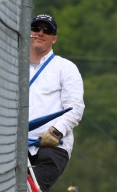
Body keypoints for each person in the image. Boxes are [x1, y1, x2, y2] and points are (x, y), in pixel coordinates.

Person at [28, 13, 85, 192]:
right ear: (29, 32)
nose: (40, 33)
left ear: (54, 38)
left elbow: (75, 108)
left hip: (52, 147)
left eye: (47, 30)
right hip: (17, 144)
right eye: (36, 28)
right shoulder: (14, 65)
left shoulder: (65, 68)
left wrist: (55, 132)